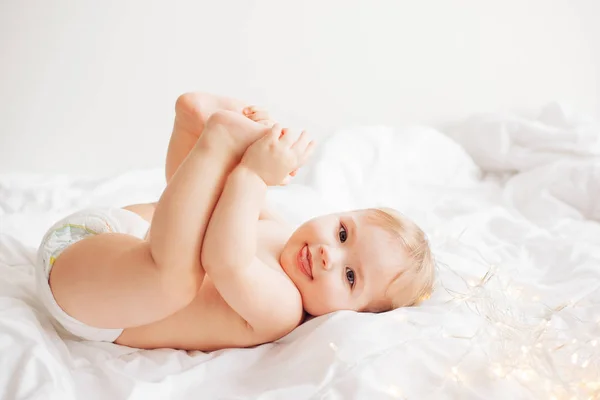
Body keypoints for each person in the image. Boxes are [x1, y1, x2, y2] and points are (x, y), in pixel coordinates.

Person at [35, 92, 435, 351]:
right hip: (110, 249)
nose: (330, 255)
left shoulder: (284, 309)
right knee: (196, 213)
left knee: (177, 277)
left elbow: (225, 260)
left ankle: (210, 135)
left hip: (90, 295)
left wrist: (252, 173)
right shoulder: (279, 228)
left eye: (350, 277)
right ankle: (203, 133)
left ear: (351, 317)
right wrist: (255, 155)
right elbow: (193, 200)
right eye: (343, 233)